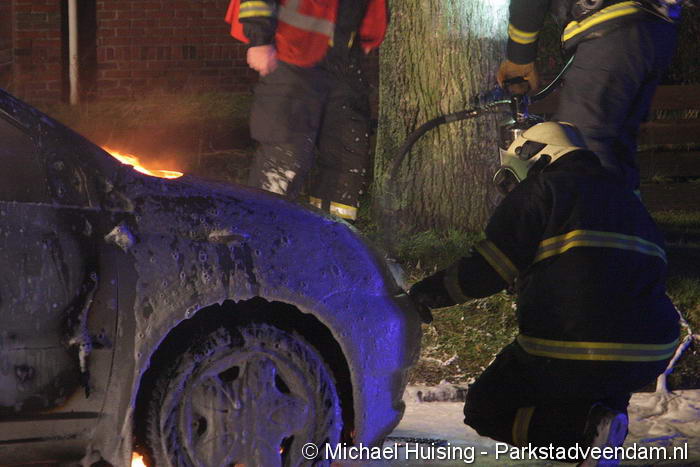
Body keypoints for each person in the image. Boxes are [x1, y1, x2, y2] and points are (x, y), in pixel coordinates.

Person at [409, 121, 679, 465]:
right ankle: (603, 427)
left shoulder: (542, 189)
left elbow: (488, 268)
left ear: (536, 157)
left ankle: (583, 434)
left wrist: (429, 292)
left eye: (510, 179)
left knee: (487, 406)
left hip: (576, 343)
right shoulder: (627, 197)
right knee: (603, 389)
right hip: (650, 350)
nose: (512, 188)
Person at [225, 0, 388, 222]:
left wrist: (366, 35)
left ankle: (331, 235)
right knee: (285, 155)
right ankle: (260, 231)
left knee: (346, 156)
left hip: (342, 60)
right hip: (292, 54)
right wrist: (260, 39)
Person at [496, 0, 685, 192]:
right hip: (656, 28)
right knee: (617, 151)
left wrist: (519, 57)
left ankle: (596, 210)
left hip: (612, 28)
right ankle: (626, 208)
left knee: (578, 145)